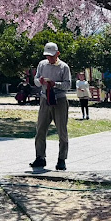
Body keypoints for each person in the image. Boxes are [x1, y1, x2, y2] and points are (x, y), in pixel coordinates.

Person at [30, 42, 72, 171]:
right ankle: (40, 157)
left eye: (52, 56)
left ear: (57, 54)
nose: (50, 58)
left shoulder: (64, 67)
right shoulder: (42, 64)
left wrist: (55, 84)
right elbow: (36, 80)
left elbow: (68, 85)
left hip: (59, 100)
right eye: (48, 56)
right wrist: (40, 81)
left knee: (62, 131)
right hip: (44, 99)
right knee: (40, 129)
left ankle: (61, 159)